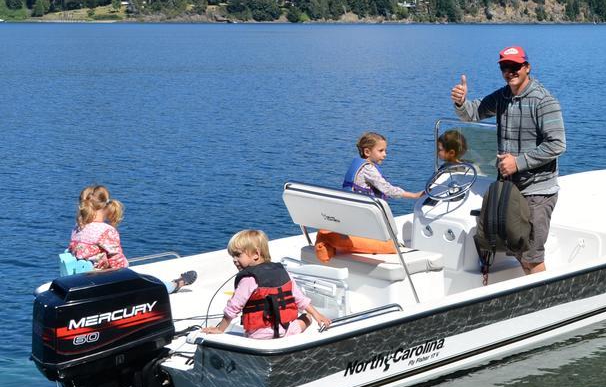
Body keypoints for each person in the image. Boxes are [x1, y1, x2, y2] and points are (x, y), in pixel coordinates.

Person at [450, 45, 566, 274]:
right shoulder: (503, 96)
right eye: (505, 67)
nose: (510, 71)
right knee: (516, 247)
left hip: (538, 191)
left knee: (531, 256)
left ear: (527, 67)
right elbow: (472, 113)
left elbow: (557, 144)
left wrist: (518, 162)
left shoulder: (544, 101)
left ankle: (542, 303)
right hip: (511, 189)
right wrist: (461, 103)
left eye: (515, 67)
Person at [201, 229, 330, 339]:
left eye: (237, 255)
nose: (234, 260)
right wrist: (318, 315)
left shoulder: (249, 279)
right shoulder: (282, 272)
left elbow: (233, 308)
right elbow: (300, 299)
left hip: (258, 336)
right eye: (232, 256)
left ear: (256, 254)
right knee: (307, 317)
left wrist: (220, 329)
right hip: (287, 332)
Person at [316, 132, 421, 262]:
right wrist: (413, 195)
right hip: (362, 215)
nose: (385, 154)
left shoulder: (358, 165)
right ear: (367, 151)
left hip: (352, 211)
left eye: (385, 150)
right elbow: (387, 189)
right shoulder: (368, 169)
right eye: (381, 150)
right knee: (389, 238)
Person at [69, 185, 195, 292]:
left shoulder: (78, 228)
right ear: (107, 206)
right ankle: (176, 284)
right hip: (105, 282)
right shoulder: (106, 231)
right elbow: (118, 264)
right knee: (148, 286)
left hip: (83, 281)